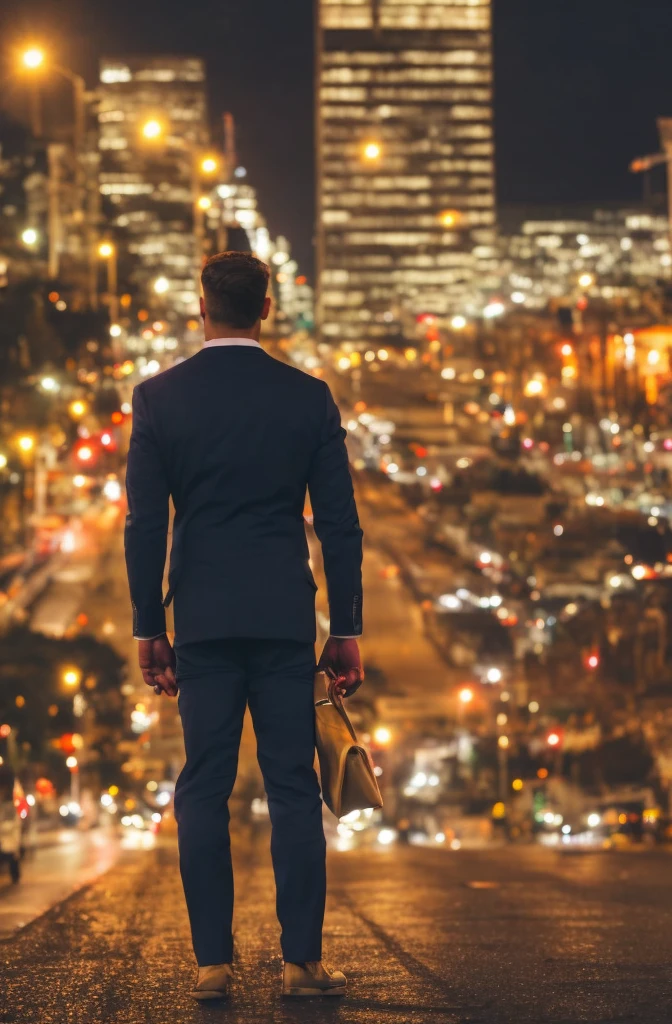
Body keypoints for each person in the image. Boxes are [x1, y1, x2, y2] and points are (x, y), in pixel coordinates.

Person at [124, 251, 364, 1001]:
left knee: (204, 786)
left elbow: (142, 526)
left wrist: (146, 628)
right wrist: (346, 628)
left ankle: (212, 965)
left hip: (201, 617)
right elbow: (339, 526)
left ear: (202, 307)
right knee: (293, 784)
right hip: (284, 618)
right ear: (267, 309)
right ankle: (300, 964)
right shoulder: (308, 398)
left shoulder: (160, 398)